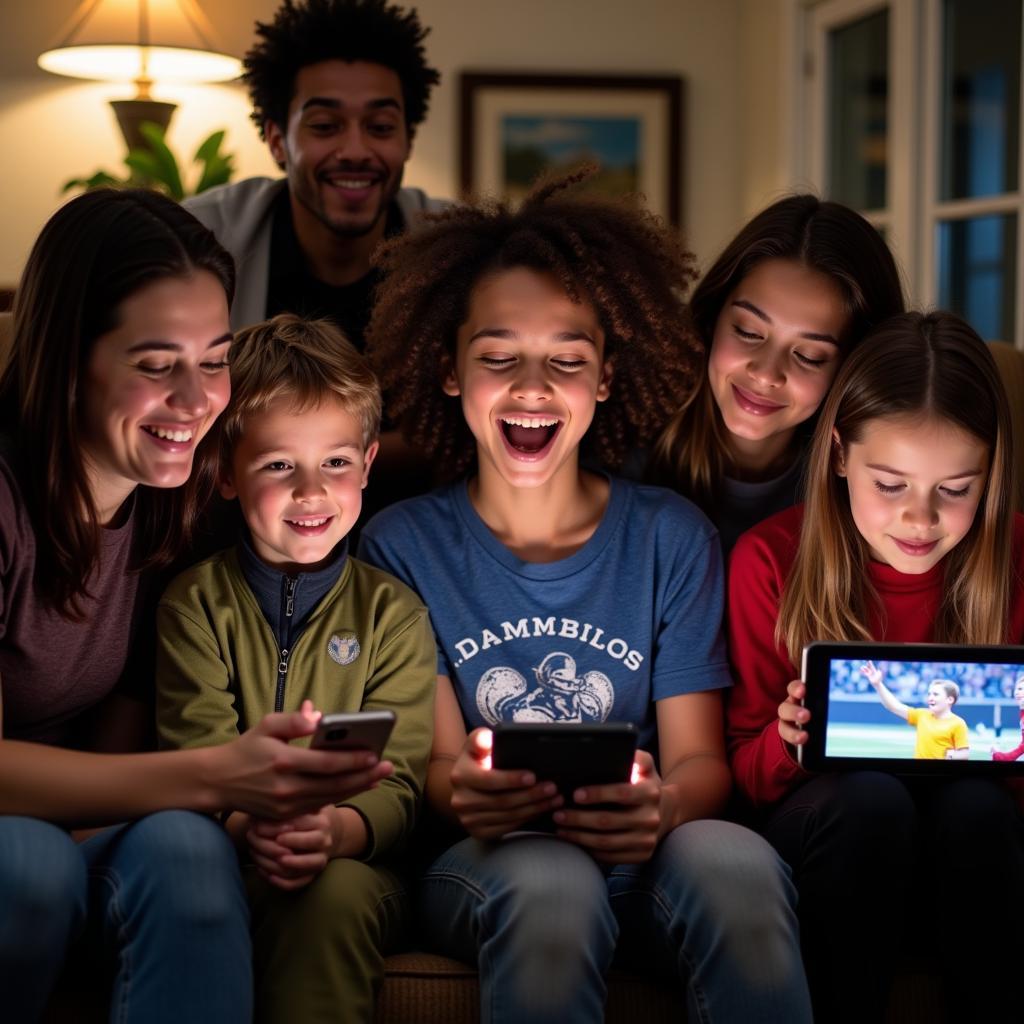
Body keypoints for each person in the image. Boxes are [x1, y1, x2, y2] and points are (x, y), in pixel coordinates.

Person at [357, 169, 812, 1023]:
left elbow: (700, 764)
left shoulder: (669, 537)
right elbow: (433, 769)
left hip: (646, 855)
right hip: (487, 866)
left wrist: (663, 809)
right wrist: (467, 793)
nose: (532, 387)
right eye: (498, 358)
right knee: (550, 876)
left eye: (567, 360)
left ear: (605, 379)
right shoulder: (401, 545)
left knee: (738, 862)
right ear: (449, 371)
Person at [0, 189, 395, 1024]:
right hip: (20, 832)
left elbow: (129, 706)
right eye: (155, 365)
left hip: (89, 823)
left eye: (213, 359)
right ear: (68, 357)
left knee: (186, 846)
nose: (196, 400)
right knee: (30, 865)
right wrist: (221, 774)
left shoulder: (168, 500)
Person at [726, 310, 1024, 1022]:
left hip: (978, 852)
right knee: (871, 800)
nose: (919, 521)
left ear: (991, 473)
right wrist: (788, 737)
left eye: (955, 490)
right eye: (889, 484)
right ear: (837, 455)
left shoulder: (1014, 558)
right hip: (838, 848)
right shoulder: (770, 560)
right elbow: (740, 771)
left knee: (977, 806)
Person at [155, 313, 436, 1024]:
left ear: (369, 466)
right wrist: (253, 825)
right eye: (280, 465)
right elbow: (195, 761)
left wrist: (334, 830)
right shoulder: (195, 604)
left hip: (354, 867)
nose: (312, 492)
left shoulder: (394, 616)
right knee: (193, 881)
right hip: (230, 852)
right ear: (225, 473)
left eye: (336, 463)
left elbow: (400, 784)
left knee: (328, 896)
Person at [647, 194, 905, 552]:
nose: (767, 374)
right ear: (711, 320)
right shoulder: (623, 457)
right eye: (748, 332)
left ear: (851, 371)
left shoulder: (873, 500)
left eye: (809, 356)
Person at [183, 0, 445, 345]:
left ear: (409, 140)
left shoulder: (457, 245)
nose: (355, 151)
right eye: (325, 126)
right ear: (277, 141)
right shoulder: (198, 240)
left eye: (380, 127)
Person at [861, 662, 969, 759]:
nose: (930, 697)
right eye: (929, 694)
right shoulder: (922, 714)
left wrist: (951, 756)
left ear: (950, 699)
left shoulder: (958, 723)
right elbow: (894, 706)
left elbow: (964, 754)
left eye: (935, 694)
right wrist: (878, 685)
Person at [993, 674, 1024, 761]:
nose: (1016, 692)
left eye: (1020, 689)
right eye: (1016, 689)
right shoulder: (1022, 712)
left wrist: (1001, 756)